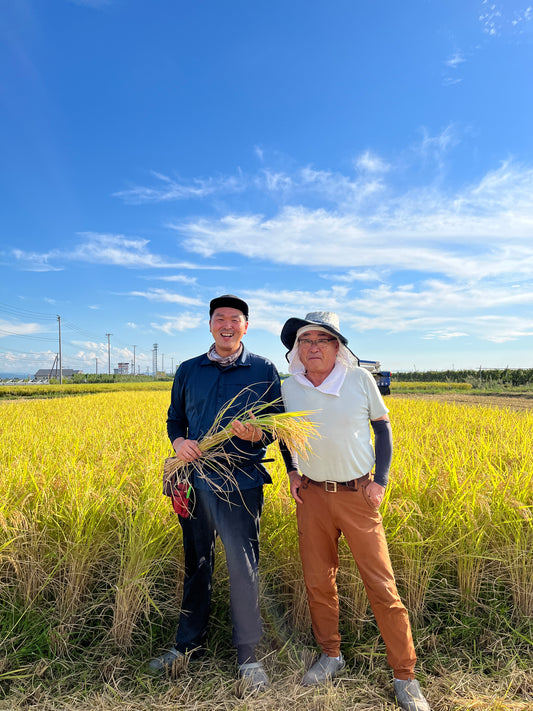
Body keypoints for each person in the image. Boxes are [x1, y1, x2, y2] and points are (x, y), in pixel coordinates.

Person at [280, 311, 430, 711]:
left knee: (381, 585)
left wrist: (379, 479)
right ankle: (330, 655)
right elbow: (284, 431)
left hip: (356, 496)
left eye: (322, 340)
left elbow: (382, 428)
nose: (313, 346)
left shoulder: (360, 380)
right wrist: (292, 470)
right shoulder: (289, 387)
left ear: (337, 346)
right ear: (297, 348)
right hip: (311, 497)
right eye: (305, 340)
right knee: (317, 581)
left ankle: (405, 676)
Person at [148, 295, 283, 691]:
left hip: (242, 483)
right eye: (219, 318)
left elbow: (276, 426)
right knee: (197, 563)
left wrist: (259, 432)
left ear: (246, 326)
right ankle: (187, 646)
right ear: (210, 325)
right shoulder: (190, 369)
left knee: (244, 566)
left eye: (235, 319)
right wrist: (179, 444)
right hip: (194, 481)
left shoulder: (263, 368)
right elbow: (176, 418)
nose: (227, 324)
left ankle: (248, 656)